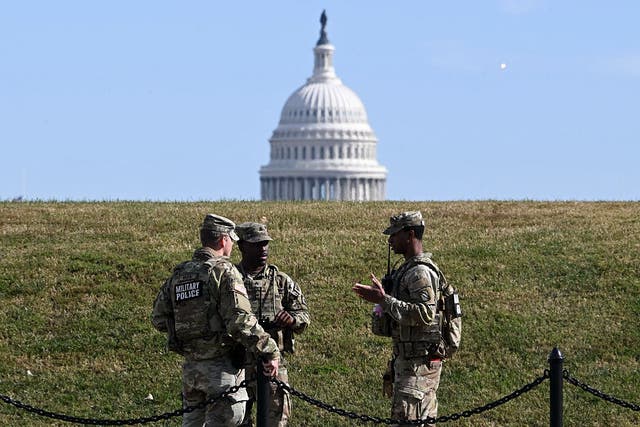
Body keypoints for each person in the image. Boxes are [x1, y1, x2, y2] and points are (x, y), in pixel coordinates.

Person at [152, 214, 280, 427]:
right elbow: (240, 320)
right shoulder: (223, 270)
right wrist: (269, 350)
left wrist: (193, 334)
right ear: (223, 240)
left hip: (192, 372)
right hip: (221, 371)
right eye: (232, 239)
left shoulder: (180, 273)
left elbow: (158, 318)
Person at [352, 211, 462, 427]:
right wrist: (381, 301)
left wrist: (385, 301)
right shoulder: (407, 271)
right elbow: (388, 326)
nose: (390, 240)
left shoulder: (419, 273)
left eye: (395, 234)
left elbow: (425, 313)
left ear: (410, 234)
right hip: (410, 367)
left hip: (417, 370)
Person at [234, 222, 310, 427]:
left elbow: (304, 315)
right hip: (236, 363)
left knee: (277, 420)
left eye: (266, 244)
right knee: (236, 420)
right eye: (257, 244)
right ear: (241, 246)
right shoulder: (231, 280)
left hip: (273, 363)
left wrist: (293, 320)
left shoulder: (281, 281)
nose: (263, 249)